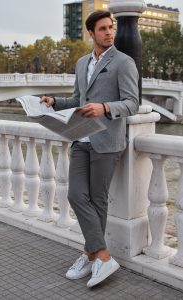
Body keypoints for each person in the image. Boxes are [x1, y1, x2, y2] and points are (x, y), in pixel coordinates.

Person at [41, 10, 139, 288]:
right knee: (75, 195)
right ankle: (102, 255)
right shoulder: (82, 62)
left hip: (107, 141)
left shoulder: (124, 62)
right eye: (103, 29)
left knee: (97, 200)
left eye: (111, 28)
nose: (109, 32)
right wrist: (54, 102)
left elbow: (132, 103)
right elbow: (77, 99)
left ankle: (90, 253)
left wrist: (105, 107)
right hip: (80, 138)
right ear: (91, 33)